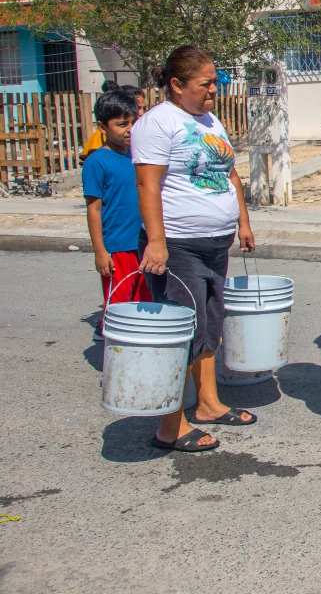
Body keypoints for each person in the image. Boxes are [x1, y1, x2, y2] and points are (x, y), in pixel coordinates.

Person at [134, 46, 255, 453]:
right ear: (176, 85)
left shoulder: (209, 120)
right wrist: (156, 242)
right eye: (206, 83)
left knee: (209, 325)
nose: (214, 90)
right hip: (178, 246)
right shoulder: (158, 123)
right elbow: (148, 185)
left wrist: (242, 221)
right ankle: (171, 425)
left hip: (214, 242)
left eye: (215, 82)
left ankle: (208, 403)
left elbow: (230, 174)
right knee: (182, 332)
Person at [83, 88, 151, 341]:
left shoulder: (140, 156)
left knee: (144, 304)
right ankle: (115, 347)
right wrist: (100, 251)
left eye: (133, 122)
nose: (129, 129)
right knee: (119, 305)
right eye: (121, 124)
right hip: (117, 248)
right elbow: (94, 208)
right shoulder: (96, 162)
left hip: (144, 243)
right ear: (102, 127)